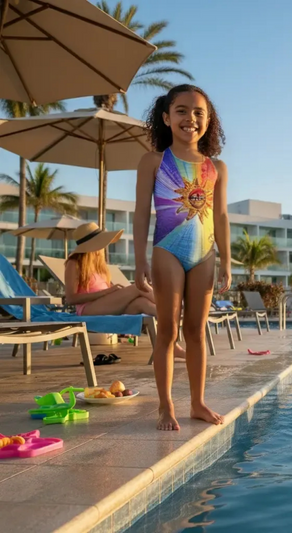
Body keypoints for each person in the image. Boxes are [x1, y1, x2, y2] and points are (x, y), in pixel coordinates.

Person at [134, 84, 231, 431]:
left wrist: (227, 260)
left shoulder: (216, 167)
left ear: (208, 121)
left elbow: (220, 217)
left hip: (204, 255)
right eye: (181, 110)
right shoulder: (154, 161)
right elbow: (141, 213)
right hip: (167, 250)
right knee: (168, 331)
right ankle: (165, 406)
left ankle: (198, 402)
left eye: (198, 112)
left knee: (196, 330)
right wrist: (139, 259)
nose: (190, 118)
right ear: (165, 117)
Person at [64, 222, 186, 359]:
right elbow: (71, 298)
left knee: (142, 303)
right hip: (88, 310)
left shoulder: (98, 265)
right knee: (138, 287)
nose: (103, 248)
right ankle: (176, 308)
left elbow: (104, 290)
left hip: (105, 305)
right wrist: (106, 292)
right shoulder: (73, 264)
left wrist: (113, 290)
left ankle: (172, 345)